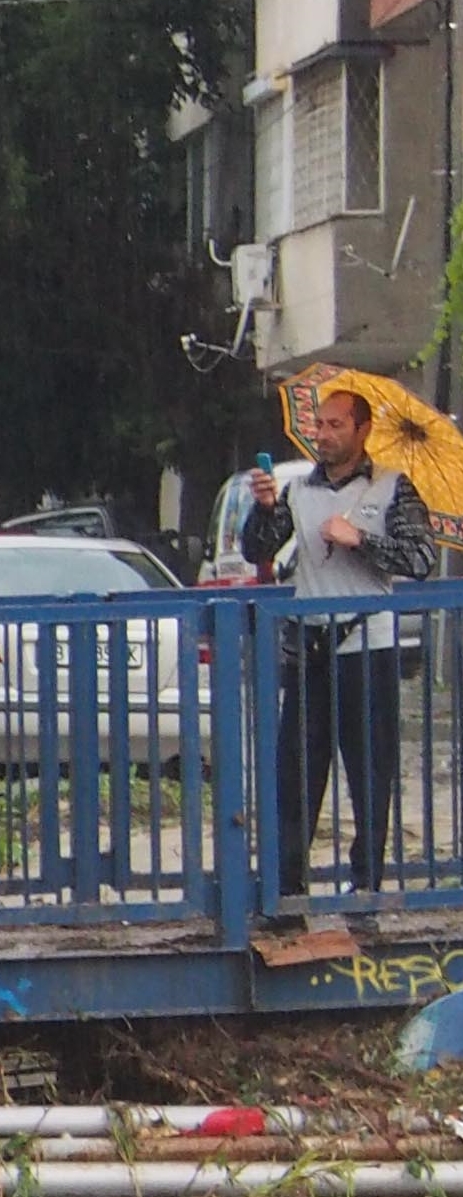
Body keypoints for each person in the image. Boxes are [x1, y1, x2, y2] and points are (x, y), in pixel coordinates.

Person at [241, 381, 439, 907]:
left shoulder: (392, 487)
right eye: (319, 425)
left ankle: (366, 881)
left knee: (369, 772)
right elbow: (259, 548)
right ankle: (286, 884)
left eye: (335, 426)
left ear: (362, 430)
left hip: (367, 648)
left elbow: (421, 559)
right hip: (308, 648)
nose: (323, 435)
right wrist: (262, 509)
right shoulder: (299, 490)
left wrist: (362, 541)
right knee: (296, 770)